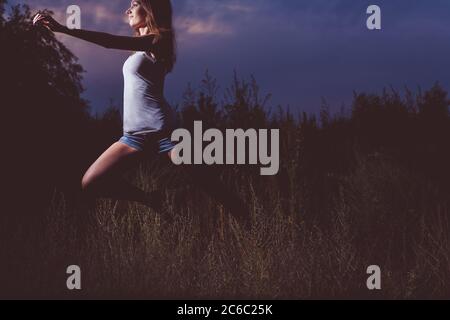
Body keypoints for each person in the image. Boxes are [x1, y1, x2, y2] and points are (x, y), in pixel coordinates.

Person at [33, 0, 250, 229]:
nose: (128, 10)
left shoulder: (161, 40)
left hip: (165, 134)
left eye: (134, 4)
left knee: (208, 183)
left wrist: (64, 29)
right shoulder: (139, 48)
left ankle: (250, 224)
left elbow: (109, 42)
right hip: (133, 136)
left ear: (150, 8)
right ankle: (152, 199)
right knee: (90, 182)